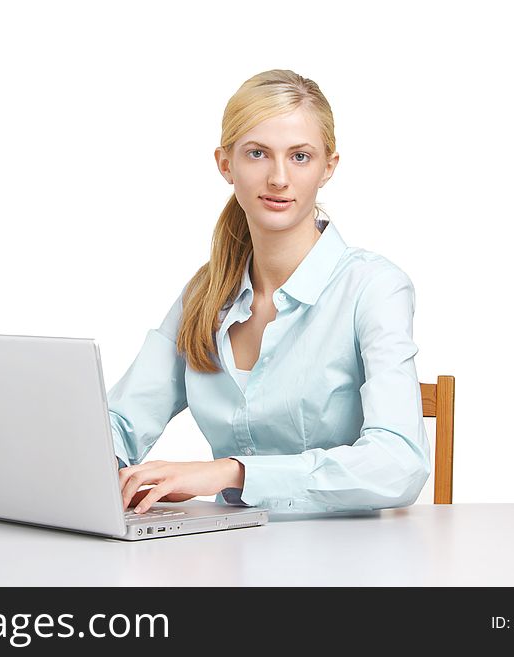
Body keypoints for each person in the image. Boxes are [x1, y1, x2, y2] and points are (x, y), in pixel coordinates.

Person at [110, 69, 431, 516]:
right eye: (257, 153)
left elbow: (398, 464)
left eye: (300, 156)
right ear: (226, 164)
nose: (279, 178)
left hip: (346, 562)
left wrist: (233, 472)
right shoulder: (204, 295)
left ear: (328, 168)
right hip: (225, 553)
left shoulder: (373, 287)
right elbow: (120, 422)